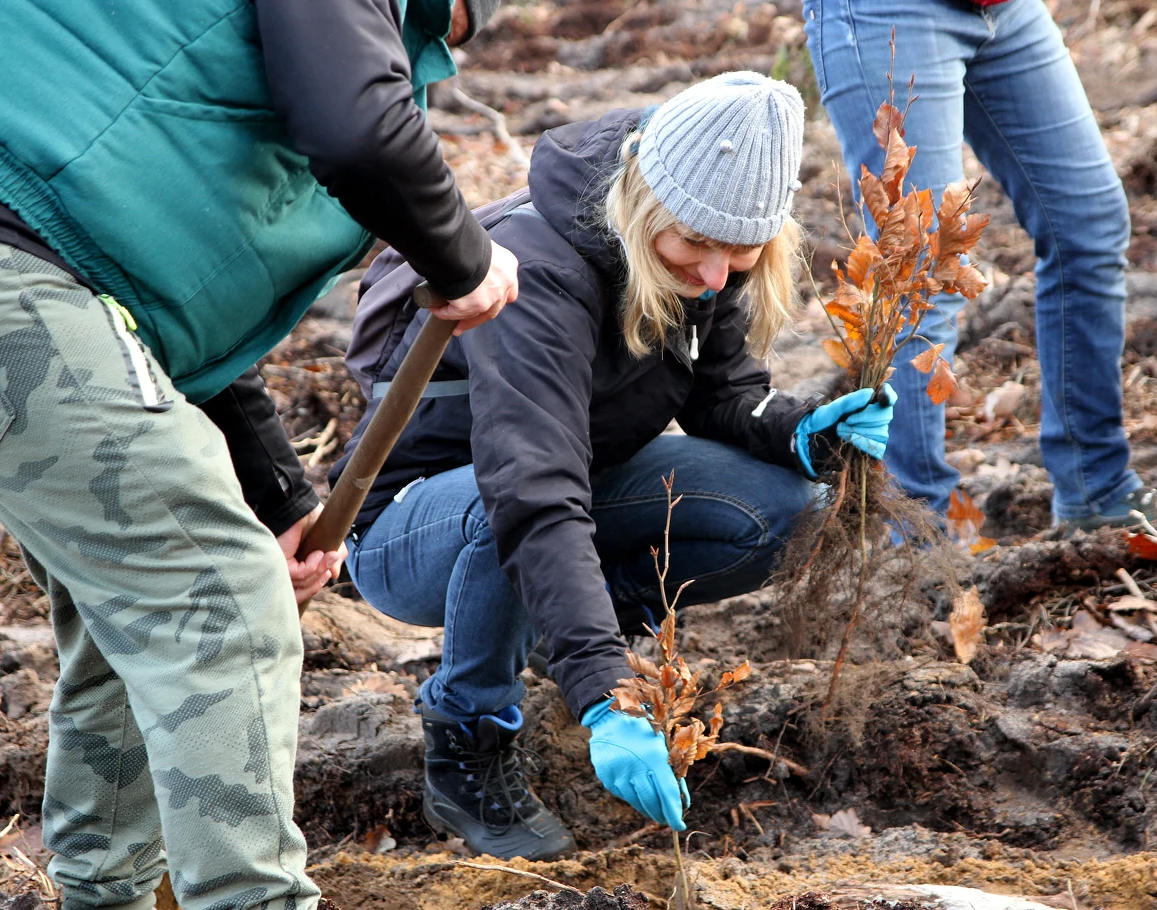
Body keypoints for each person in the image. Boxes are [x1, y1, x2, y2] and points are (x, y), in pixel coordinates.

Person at [0, 0, 515, 907]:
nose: (443, 38)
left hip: (47, 256)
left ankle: (106, 896)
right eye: (449, 16)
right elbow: (357, 133)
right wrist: (461, 254)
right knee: (211, 594)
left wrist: (278, 494)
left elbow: (164, 296)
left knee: (137, 604)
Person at [331, 72, 897, 860]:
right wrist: (609, 695)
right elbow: (532, 491)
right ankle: (468, 734)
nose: (713, 274)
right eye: (695, 244)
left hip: (570, 486)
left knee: (780, 505)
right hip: (415, 524)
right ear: (643, 203)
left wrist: (803, 432)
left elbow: (722, 394)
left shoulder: (709, 250)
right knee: (508, 518)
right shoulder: (536, 270)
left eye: (741, 252)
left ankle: (543, 629)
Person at [801, 0, 1157, 532]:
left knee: (1088, 221)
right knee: (923, 264)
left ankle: (1097, 487)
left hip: (1006, 10)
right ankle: (918, 534)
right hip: (891, 12)